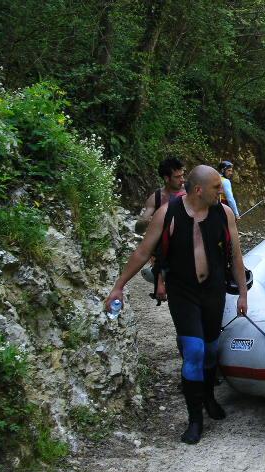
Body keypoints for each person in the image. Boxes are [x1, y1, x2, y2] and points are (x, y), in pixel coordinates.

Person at [106, 165, 248, 445]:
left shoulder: (224, 213)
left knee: (210, 350)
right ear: (199, 190)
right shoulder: (167, 213)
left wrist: (243, 293)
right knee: (193, 351)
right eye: (217, 187)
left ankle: (208, 397)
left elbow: (236, 256)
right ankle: (195, 420)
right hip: (183, 292)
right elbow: (143, 251)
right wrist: (119, 286)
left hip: (213, 291)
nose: (221, 192)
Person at [135, 157, 186, 235]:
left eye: (182, 175)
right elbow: (138, 230)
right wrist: (145, 222)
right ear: (166, 178)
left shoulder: (190, 191)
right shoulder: (156, 198)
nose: (182, 180)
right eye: (177, 177)